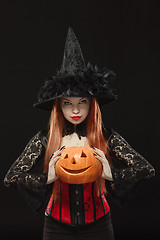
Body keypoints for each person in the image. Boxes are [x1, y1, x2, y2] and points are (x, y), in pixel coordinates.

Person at [4, 28, 155, 240]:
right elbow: (11, 178)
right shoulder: (45, 138)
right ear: (59, 107)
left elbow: (146, 169)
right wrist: (47, 178)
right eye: (68, 103)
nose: (75, 111)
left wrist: (109, 174)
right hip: (56, 226)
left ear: (92, 105)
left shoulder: (106, 136)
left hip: (99, 225)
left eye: (82, 102)